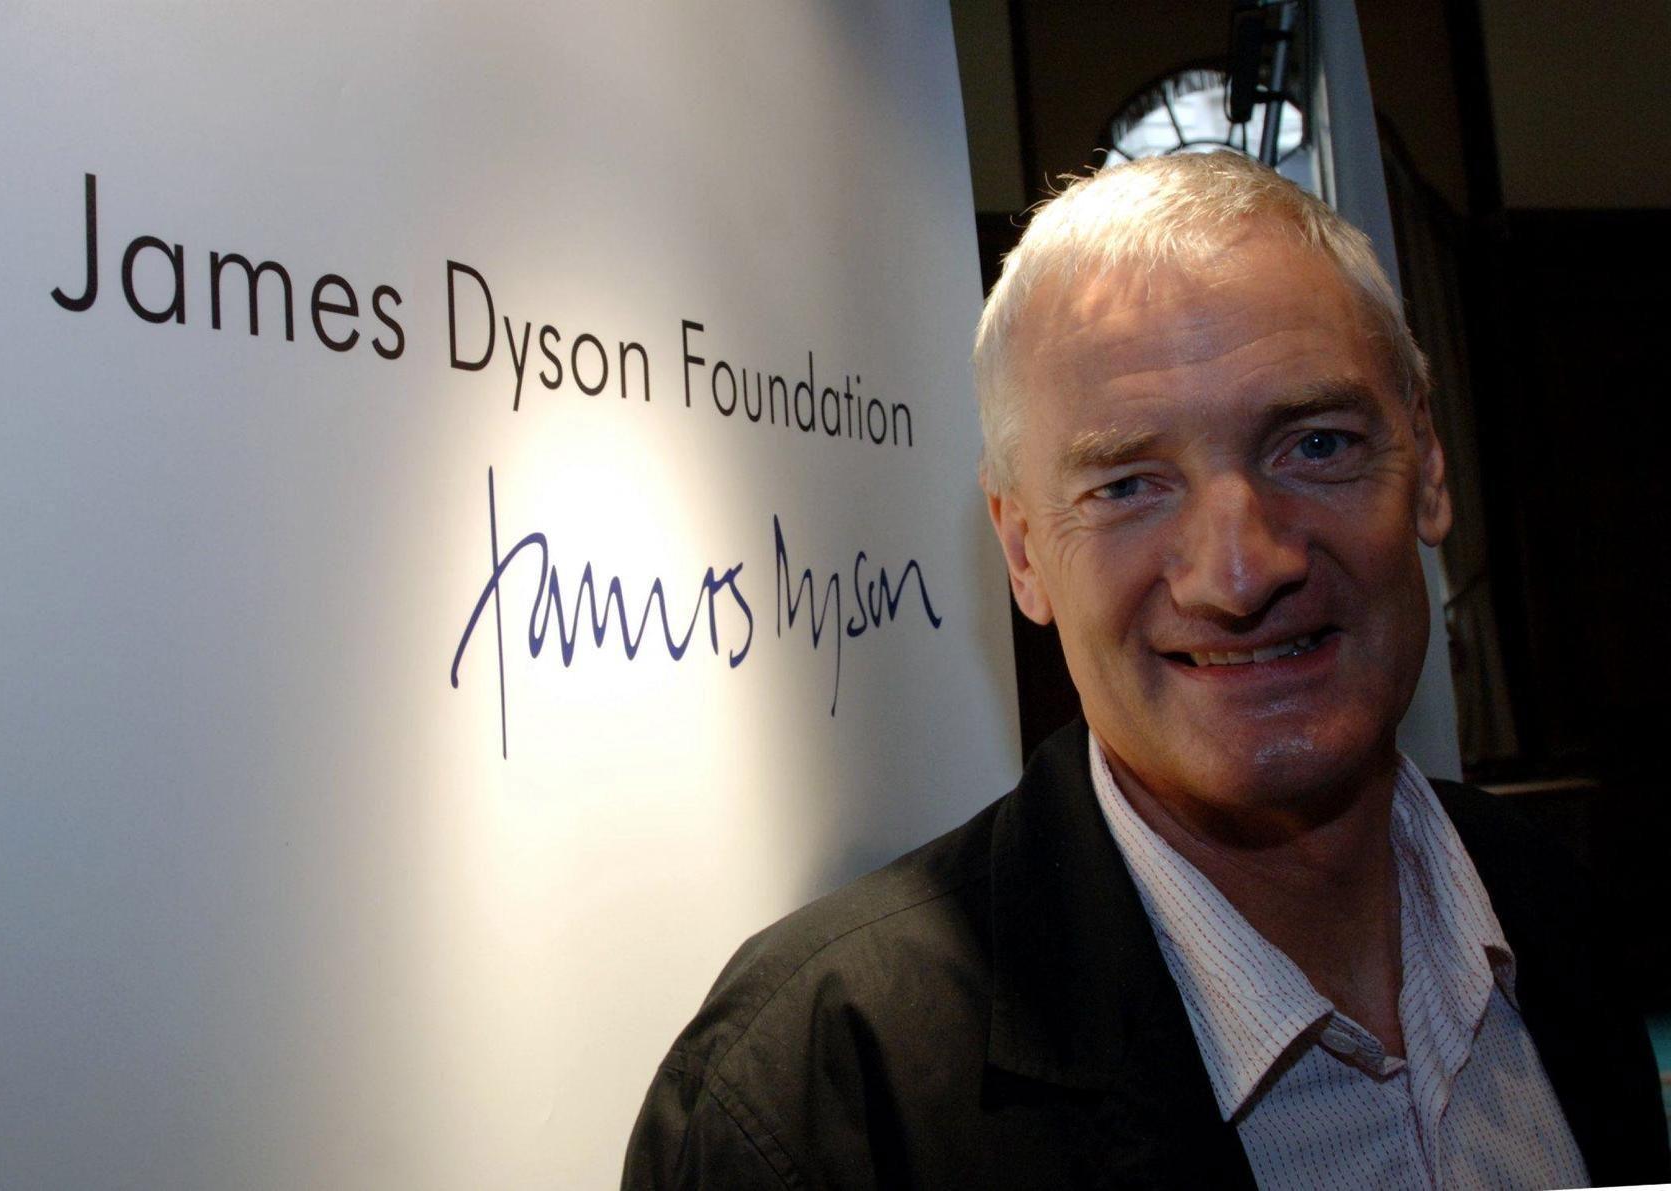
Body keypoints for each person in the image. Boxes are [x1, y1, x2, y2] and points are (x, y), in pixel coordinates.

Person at [622, 152, 1670, 1188]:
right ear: (1023, 550)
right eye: (1128, 485)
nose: (1241, 569)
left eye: (1312, 445)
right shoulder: (814, 1099)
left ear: (1428, 467)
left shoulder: (1549, 909)